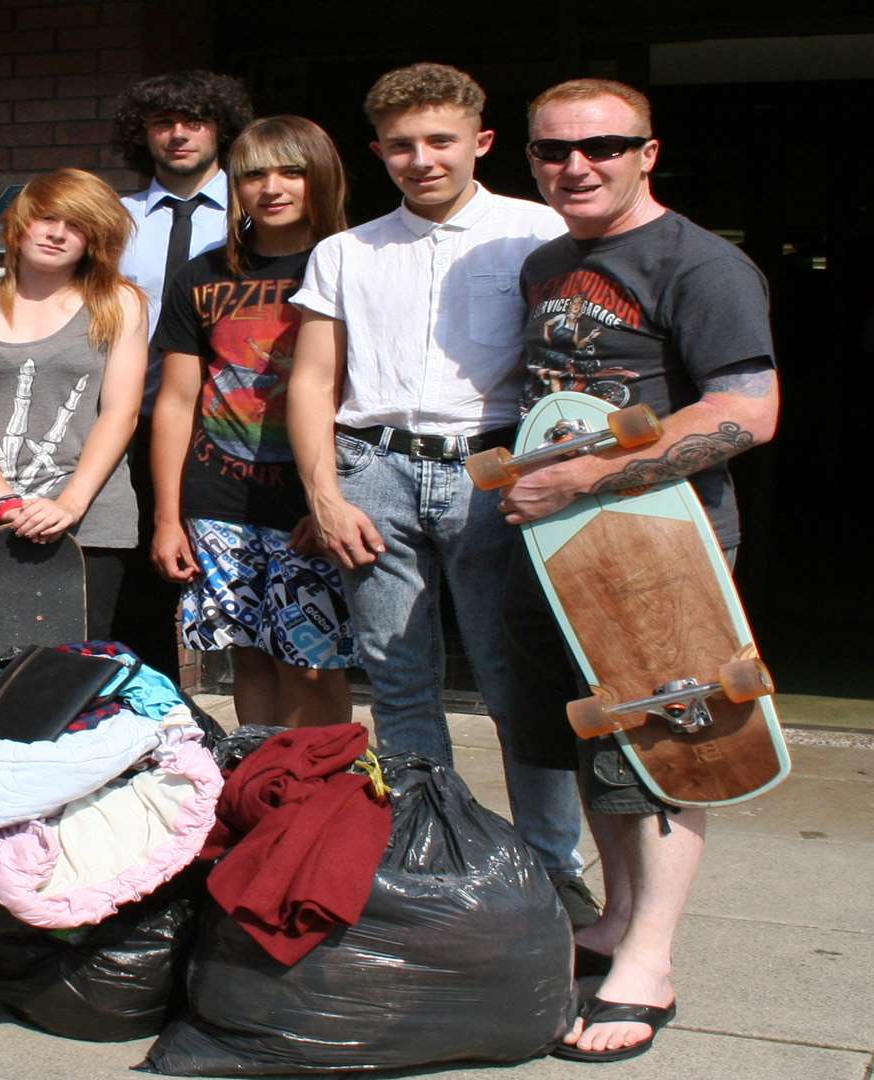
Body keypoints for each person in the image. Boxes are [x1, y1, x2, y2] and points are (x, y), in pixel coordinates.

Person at [503, 78, 781, 1063]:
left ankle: (649, 964)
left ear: (648, 152)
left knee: (668, 748)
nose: (577, 166)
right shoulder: (549, 262)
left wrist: (581, 476)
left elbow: (747, 412)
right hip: (561, 547)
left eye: (604, 147)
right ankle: (619, 919)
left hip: (664, 549)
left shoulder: (702, 264)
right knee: (598, 745)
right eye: (553, 151)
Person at [285, 63, 598, 922]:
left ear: (480, 142)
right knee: (397, 677)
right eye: (401, 145)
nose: (421, 159)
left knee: (517, 680)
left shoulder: (537, 232)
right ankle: (427, 848)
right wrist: (324, 495)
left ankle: (549, 870)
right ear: (379, 151)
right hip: (372, 468)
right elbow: (313, 381)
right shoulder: (346, 250)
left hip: (494, 468)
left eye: (439, 141)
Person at [150, 116, 356, 727]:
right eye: (254, 174)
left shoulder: (351, 264)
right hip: (219, 500)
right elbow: (176, 400)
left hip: (314, 499)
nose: (272, 187)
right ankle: (261, 787)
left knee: (314, 663)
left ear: (320, 176)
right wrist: (168, 518)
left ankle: (319, 797)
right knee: (250, 658)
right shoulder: (201, 276)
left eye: (291, 170)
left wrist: (330, 500)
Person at [0, 169, 148, 654]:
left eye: (77, 225)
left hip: (89, 522)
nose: (57, 233)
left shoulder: (120, 304)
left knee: (73, 680)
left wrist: (69, 504)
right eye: (47, 218)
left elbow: (120, 413)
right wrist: (2, 500)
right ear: (21, 223)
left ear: (95, 240)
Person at [110, 70, 256, 681]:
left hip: (238, 428)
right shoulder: (114, 220)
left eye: (194, 121)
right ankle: (154, 718)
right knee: (142, 583)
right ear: (141, 134)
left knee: (248, 580)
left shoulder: (259, 211)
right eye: (162, 123)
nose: (178, 134)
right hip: (139, 423)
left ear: (220, 127)